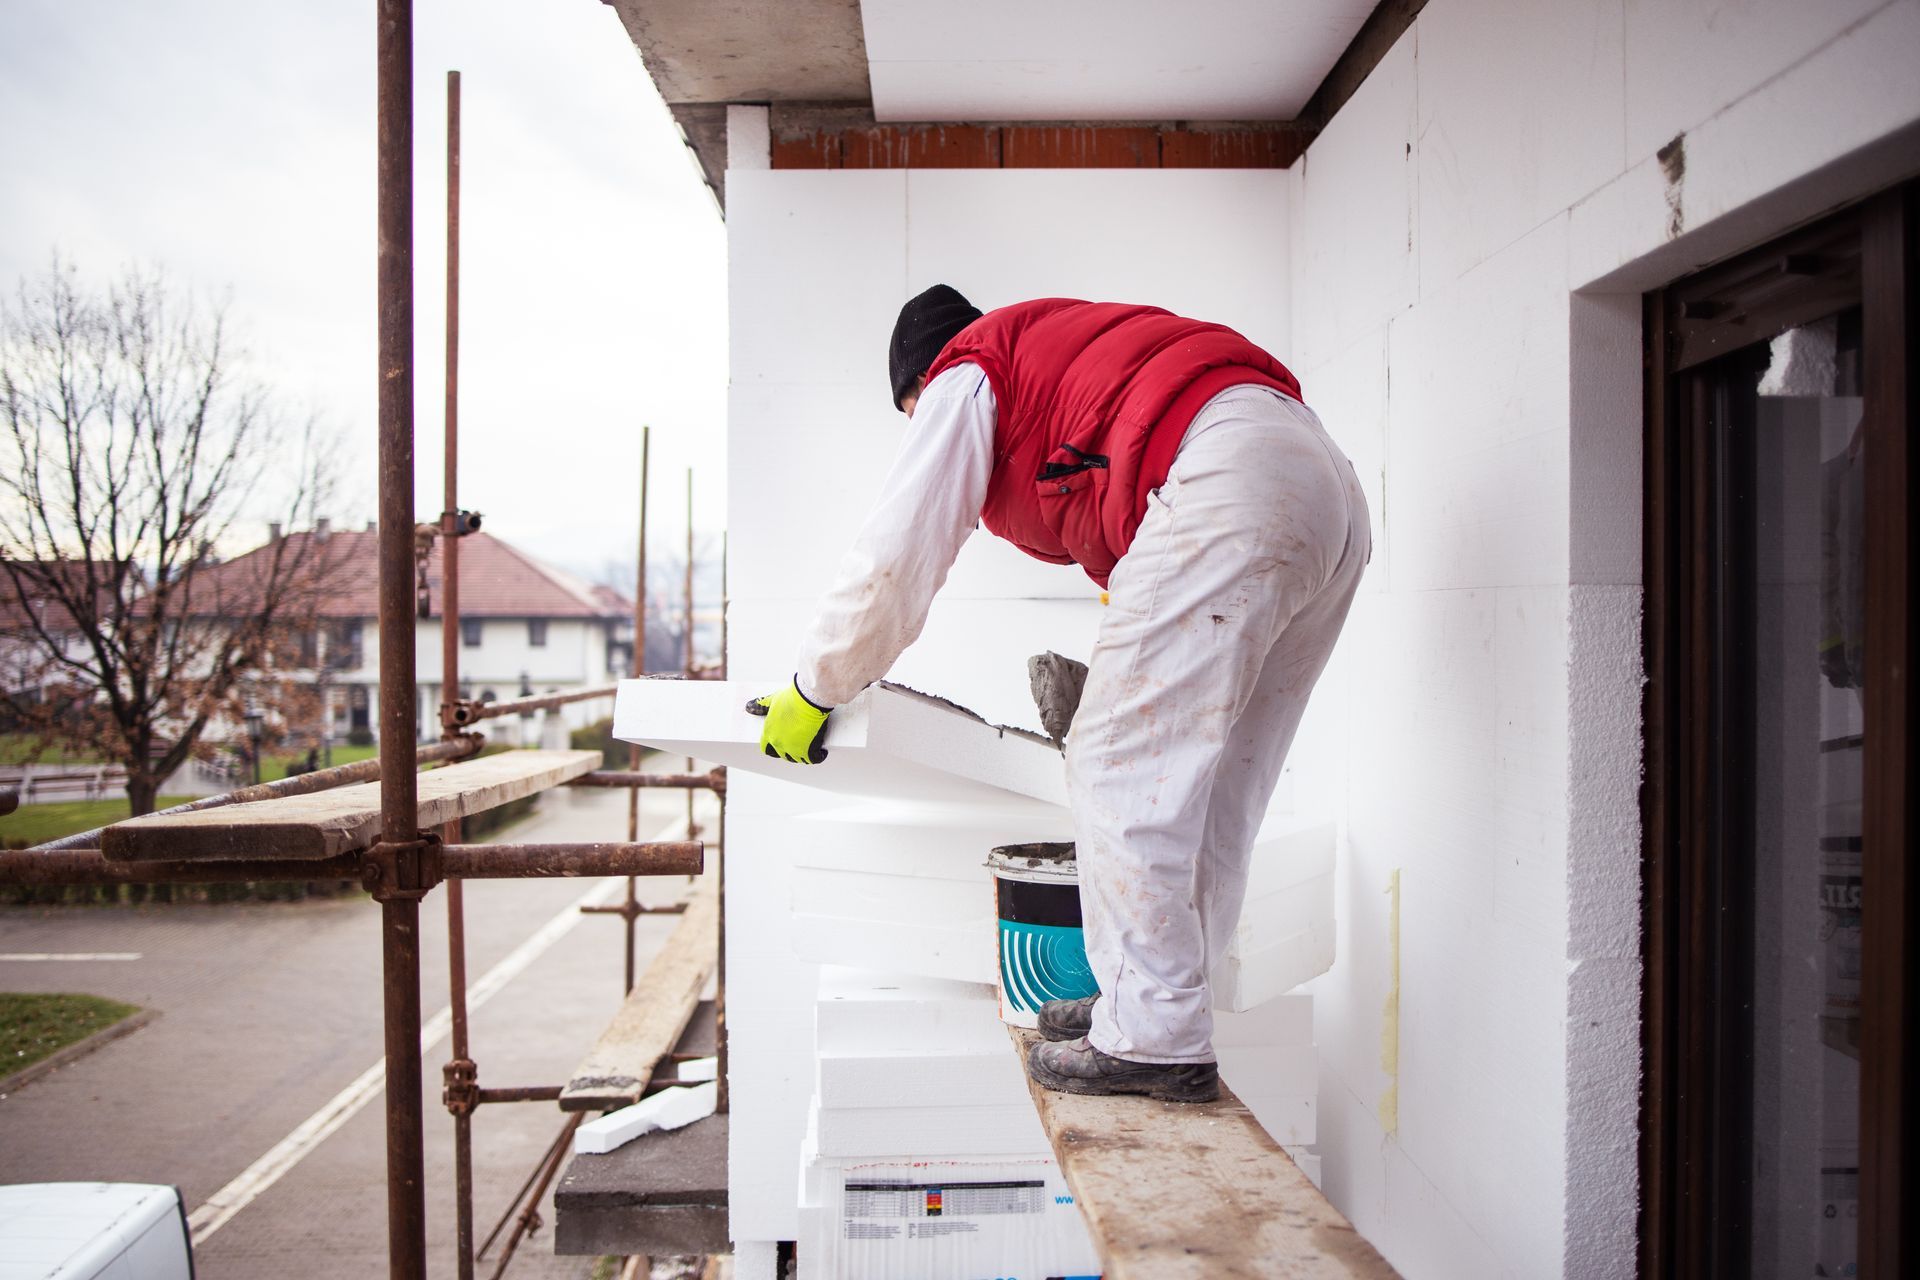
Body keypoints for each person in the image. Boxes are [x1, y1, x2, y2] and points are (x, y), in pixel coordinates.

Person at [750, 285, 1370, 1103]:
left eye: (914, 413)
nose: (921, 428)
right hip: (1324, 485)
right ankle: (1152, 1003)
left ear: (919, 385)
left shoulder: (964, 376)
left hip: (1231, 470)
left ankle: (1153, 1035)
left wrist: (816, 683)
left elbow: (896, 555)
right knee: (1216, 779)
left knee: (1116, 762)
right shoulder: (1055, 359)